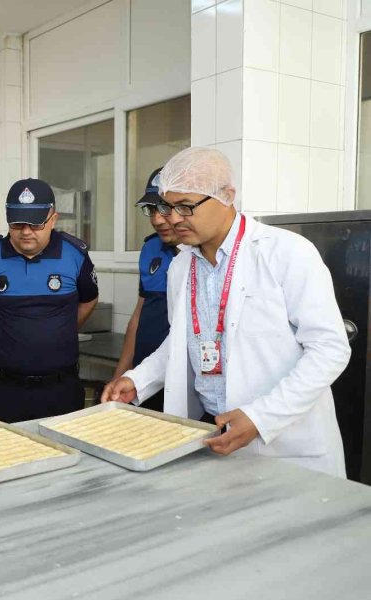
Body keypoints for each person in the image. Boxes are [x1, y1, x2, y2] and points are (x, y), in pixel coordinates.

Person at [101, 147, 350, 477]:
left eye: (185, 206)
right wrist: (138, 379)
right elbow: (180, 344)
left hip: (286, 445)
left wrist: (261, 417)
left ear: (227, 196)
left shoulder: (287, 253)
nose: (172, 218)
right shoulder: (181, 266)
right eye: (166, 206)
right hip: (214, 434)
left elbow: (330, 349)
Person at [0, 178, 99, 422]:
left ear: (53, 219)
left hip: (61, 390)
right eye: (18, 223)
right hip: (5, 390)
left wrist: (62, 330)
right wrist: (5, 331)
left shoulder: (75, 255)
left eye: (36, 223)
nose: (26, 231)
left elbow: (89, 300)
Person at [112, 167, 179, 412]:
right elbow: (139, 314)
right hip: (142, 378)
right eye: (151, 209)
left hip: (180, 381)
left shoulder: (201, 257)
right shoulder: (151, 249)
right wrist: (121, 374)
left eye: (164, 208)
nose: (157, 219)